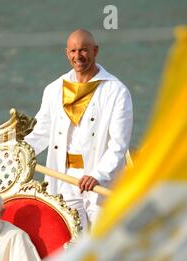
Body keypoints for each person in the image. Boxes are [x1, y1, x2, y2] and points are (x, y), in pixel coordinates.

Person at [24, 28, 133, 230]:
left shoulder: (116, 91)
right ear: (67, 53)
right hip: (64, 178)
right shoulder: (54, 89)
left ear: (95, 51)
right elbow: (40, 133)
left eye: (83, 50)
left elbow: (119, 144)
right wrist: (13, 154)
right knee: (71, 241)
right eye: (73, 51)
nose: (78, 56)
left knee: (104, 241)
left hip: (100, 181)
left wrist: (98, 175)